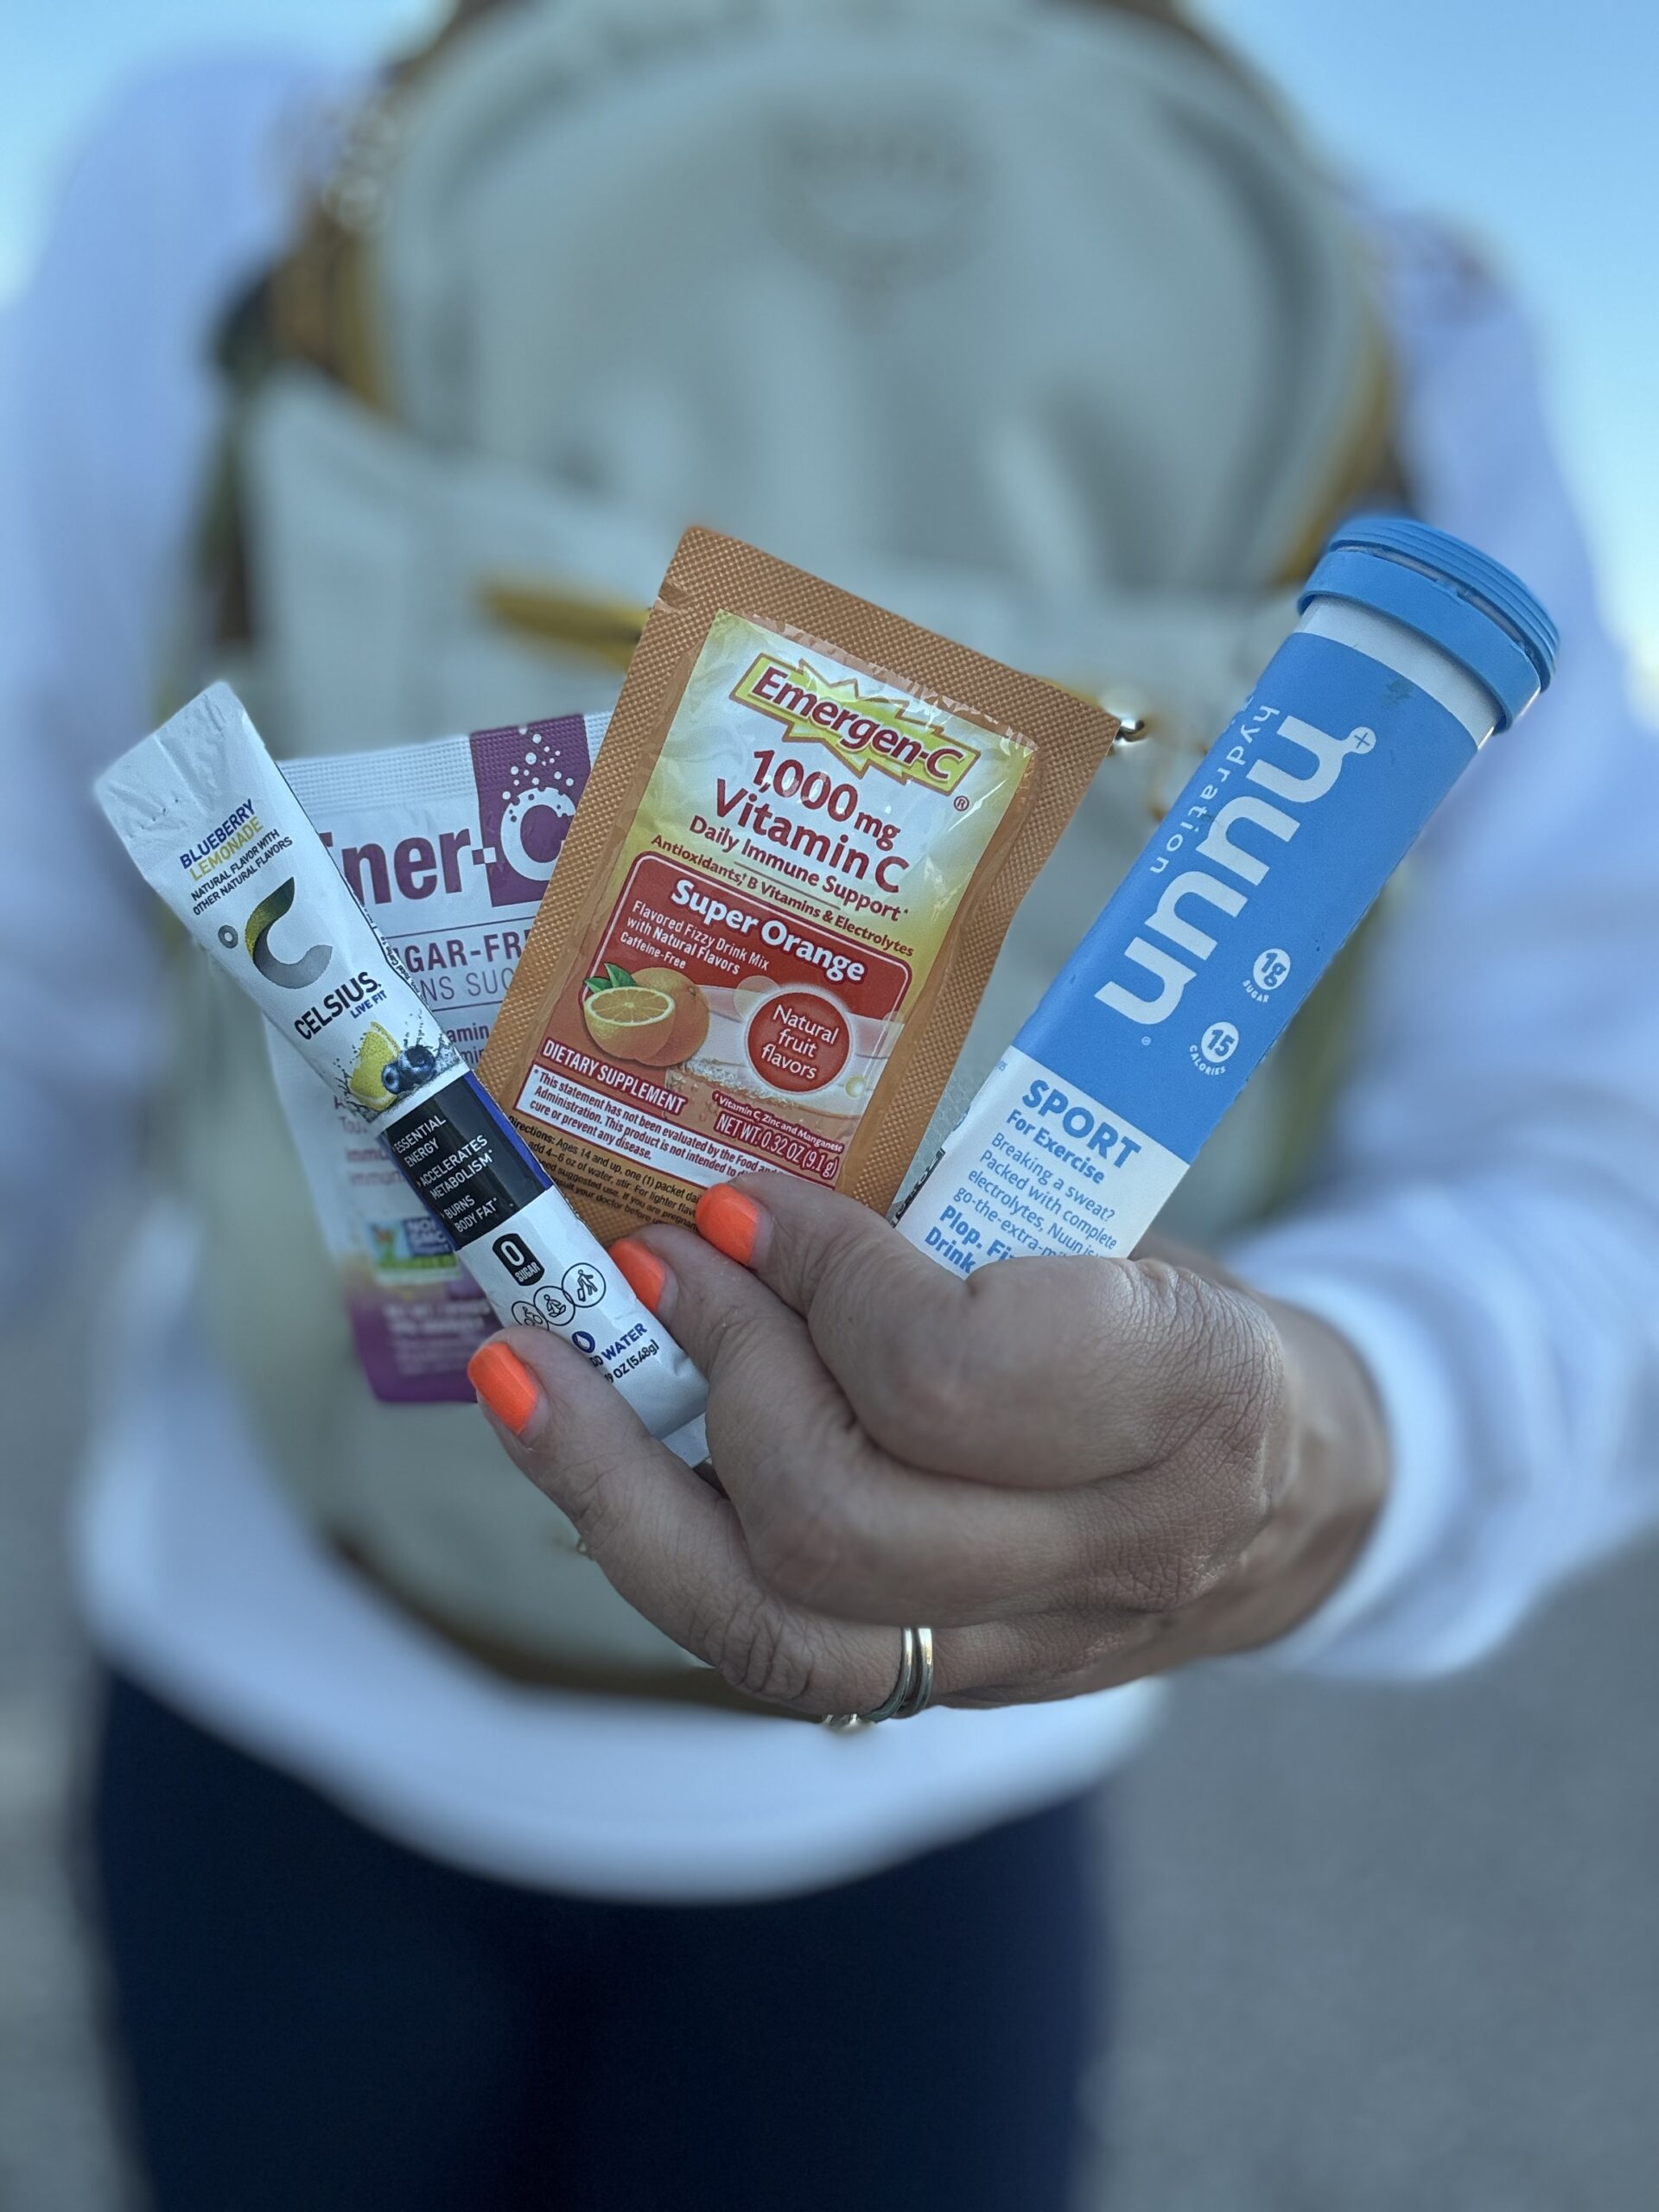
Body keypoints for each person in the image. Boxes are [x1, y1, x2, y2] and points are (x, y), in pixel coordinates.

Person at [3, 3, 1656, 2207]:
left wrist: (1317, 1430)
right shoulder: (1391, 303)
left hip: (813, 1780)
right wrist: (1361, 1424)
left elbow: (1593, 1151)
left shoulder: (240, 177)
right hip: (388, 1742)